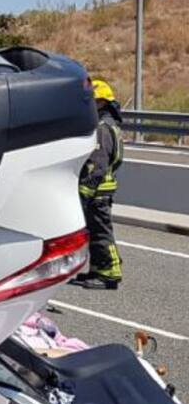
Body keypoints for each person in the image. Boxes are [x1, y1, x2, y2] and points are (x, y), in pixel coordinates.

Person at [73, 78, 124, 290]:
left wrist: (84, 192)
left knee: (101, 232)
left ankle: (110, 274)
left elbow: (97, 165)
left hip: (98, 192)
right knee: (96, 232)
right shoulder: (106, 126)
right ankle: (98, 269)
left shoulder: (102, 129)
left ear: (101, 102)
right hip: (101, 190)